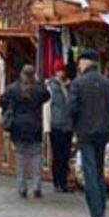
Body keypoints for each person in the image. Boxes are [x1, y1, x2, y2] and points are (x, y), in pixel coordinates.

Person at [69, 49, 109, 217]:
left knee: (90, 171)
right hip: (103, 132)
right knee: (98, 170)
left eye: (80, 62)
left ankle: (96, 214)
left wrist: (74, 127)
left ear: (85, 63)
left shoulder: (78, 84)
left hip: (85, 132)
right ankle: (102, 209)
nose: (78, 65)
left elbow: (72, 109)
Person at [0, 64, 51, 199]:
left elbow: (2, 100)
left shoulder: (13, 88)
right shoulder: (38, 89)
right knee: (36, 155)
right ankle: (37, 185)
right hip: (35, 125)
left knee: (20, 156)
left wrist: (10, 108)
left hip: (18, 125)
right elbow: (47, 96)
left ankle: (22, 187)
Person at [46, 61, 73, 193]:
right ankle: (57, 181)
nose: (61, 73)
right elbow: (48, 105)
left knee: (65, 155)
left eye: (62, 70)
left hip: (67, 125)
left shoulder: (68, 86)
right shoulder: (51, 87)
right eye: (59, 70)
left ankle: (63, 181)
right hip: (56, 124)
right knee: (57, 154)